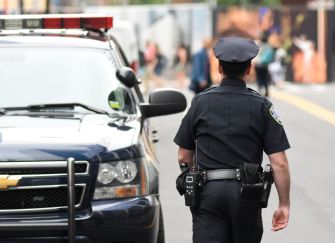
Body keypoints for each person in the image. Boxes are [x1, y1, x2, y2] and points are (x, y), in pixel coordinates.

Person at [174, 37, 291, 243]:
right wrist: (284, 204)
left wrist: (194, 178)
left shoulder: (200, 102)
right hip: (247, 195)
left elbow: (184, 155)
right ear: (249, 69)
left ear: (219, 68)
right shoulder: (262, 106)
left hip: (208, 194)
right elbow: (279, 163)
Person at [254, 32, 274, 97]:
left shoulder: (259, 45)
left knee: (259, 78)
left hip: (258, 64)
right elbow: (271, 56)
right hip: (265, 65)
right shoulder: (269, 47)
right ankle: (266, 91)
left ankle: (260, 91)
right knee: (265, 78)